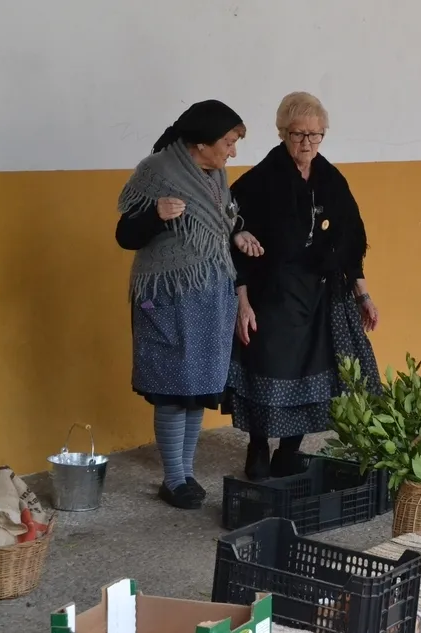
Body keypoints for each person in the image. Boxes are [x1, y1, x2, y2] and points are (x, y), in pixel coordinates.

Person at [223, 91, 381, 481]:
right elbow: (232, 244)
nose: (307, 143)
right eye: (298, 134)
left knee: (315, 372)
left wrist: (362, 294)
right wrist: (242, 300)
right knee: (270, 369)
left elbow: (349, 243)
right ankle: (258, 447)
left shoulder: (332, 180)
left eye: (315, 134)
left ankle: (289, 450)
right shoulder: (259, 181)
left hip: (322, 293)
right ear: (282, 133)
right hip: (273, 293)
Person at [115, 100, 263, 510]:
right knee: (171, 389)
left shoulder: (216, 176)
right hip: (168, 295)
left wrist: (237, 234)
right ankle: (173, 478)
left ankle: (187, 472)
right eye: (228, 142)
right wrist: (156, 214)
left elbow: (220, 223)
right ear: (201, 142)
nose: (233, 151)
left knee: (198, 388)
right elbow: (125, 235)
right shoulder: (156, 171)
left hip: (210, 295)